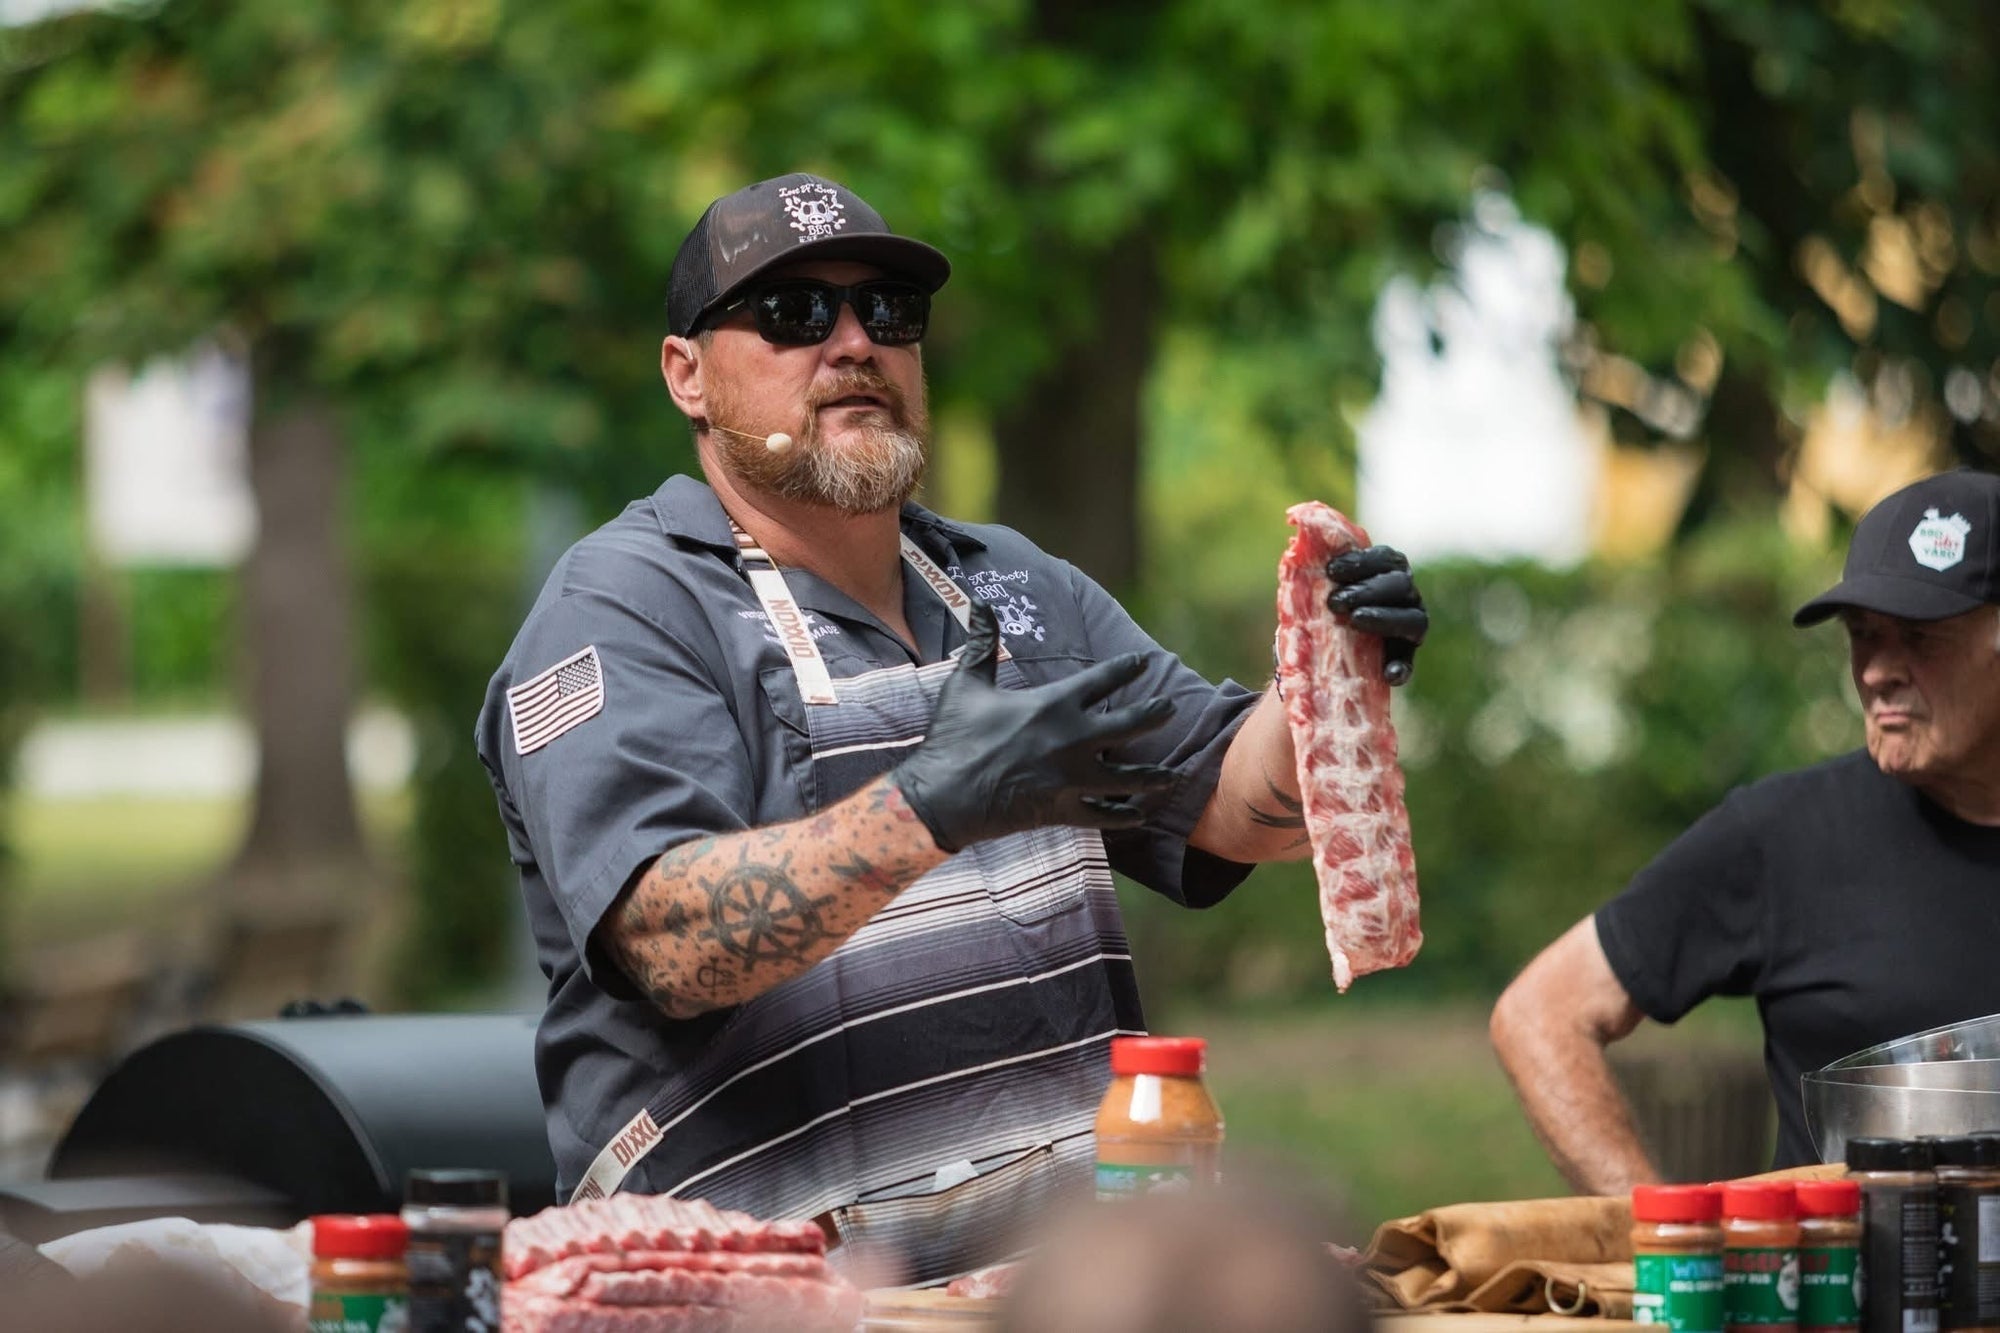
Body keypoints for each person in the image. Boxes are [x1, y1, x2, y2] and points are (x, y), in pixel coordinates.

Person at [475, 173, 1427, 1283]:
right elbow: (667, 942)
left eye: (887, 312)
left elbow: (1232, 805)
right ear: (685, 373)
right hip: (773, 1304)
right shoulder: (626, 605)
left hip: (1066, 1290)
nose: (851, 344)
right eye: (793, 315)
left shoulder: (1015, 583)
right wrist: (929, 804)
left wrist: (1327, 673)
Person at [1490, 467, 2000, 1193]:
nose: (1880, 669)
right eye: (1862, 634)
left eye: (1921, 635)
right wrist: (1662, 1245)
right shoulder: (1783, 835)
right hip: (1832, 1302)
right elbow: (1541, 1012)